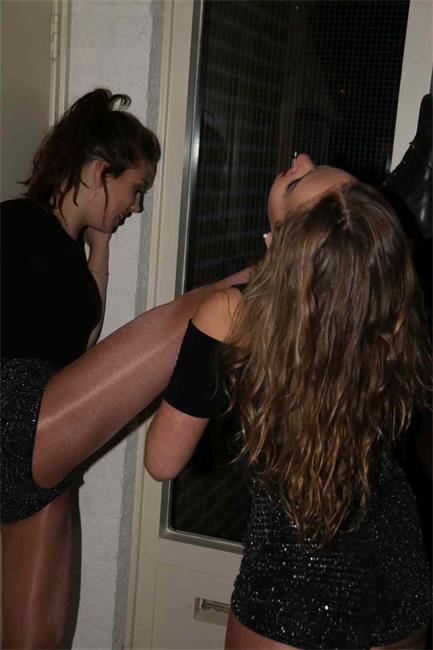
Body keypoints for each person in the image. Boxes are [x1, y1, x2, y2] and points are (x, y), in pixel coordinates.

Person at [144, 153, 432, 649]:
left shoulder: (233, 314)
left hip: (294, 580)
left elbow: (162, 459)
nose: (300, 159)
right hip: (399, 576)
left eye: (301, 179)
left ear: (283, 243)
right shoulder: (391, 314)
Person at [0, 88, 249, 648]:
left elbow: (84, 341)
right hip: (13, 416)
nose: (136, 207)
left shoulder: (69, 252)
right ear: (99, 171)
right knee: (202, 312)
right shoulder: (15, 223)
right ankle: (279, 273)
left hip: (43, 446)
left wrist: (100, 244)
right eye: (136, 189)